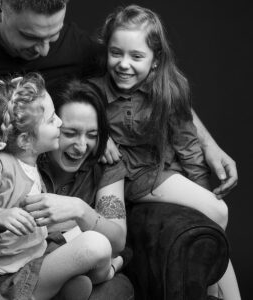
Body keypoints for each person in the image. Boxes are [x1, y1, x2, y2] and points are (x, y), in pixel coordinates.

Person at [0, 0, 238, 200]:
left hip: (28, 183)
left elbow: (158, 84)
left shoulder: (77, 48)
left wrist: (207, 143)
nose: (43, 50)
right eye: (29, 37)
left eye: (53, 35)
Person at [88, 5, 241, 300]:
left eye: (136, 56)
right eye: (116, 53)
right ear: (106, 50)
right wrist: (99, 135)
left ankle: (217, 293)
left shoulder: (170, 90)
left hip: (152, 175)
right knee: (112, 238)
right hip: (111, 177)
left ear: (155, 61)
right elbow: (74, 119)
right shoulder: (92, 91)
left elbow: (188, 145)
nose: (123, 64)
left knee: (217, 210)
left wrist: (201, 194)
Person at [0, 78, 131, 300]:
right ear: (26, 138)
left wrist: (79, 210)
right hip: (5, 276)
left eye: (93, 135)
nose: (82, 146)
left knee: (94, 246)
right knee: (95, 245)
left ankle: (73, 285)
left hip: (37, 257)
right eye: (68, 130)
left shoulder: (32, 160)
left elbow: (117, 242)